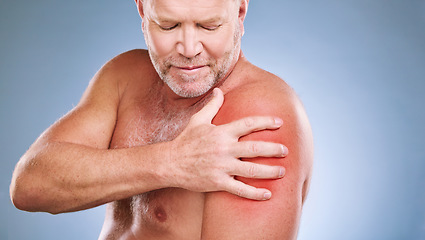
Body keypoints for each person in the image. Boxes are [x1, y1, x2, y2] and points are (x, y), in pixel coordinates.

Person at [10, 0, 314, 239]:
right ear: (143, 11)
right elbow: (29, 187)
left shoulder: (261, 114)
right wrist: (172, 162)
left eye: (209, 26)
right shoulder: (124, 75)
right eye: (168, 25)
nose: (189, 49)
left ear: (240, 12)